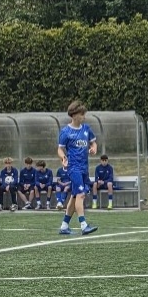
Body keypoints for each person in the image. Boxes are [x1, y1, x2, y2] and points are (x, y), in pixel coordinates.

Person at [58, 100, 97, 235]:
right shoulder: (66, 132)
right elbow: (60, 149)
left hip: (84, 168)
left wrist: (93, 148)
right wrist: (63, 158)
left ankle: (64, 226)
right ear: (74, 115)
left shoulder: (86, 129)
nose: (84, 117)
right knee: (81, 194)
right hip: (73, 168)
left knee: (74, 196)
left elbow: (93, 143)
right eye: (82, 114)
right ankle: (84, 225)